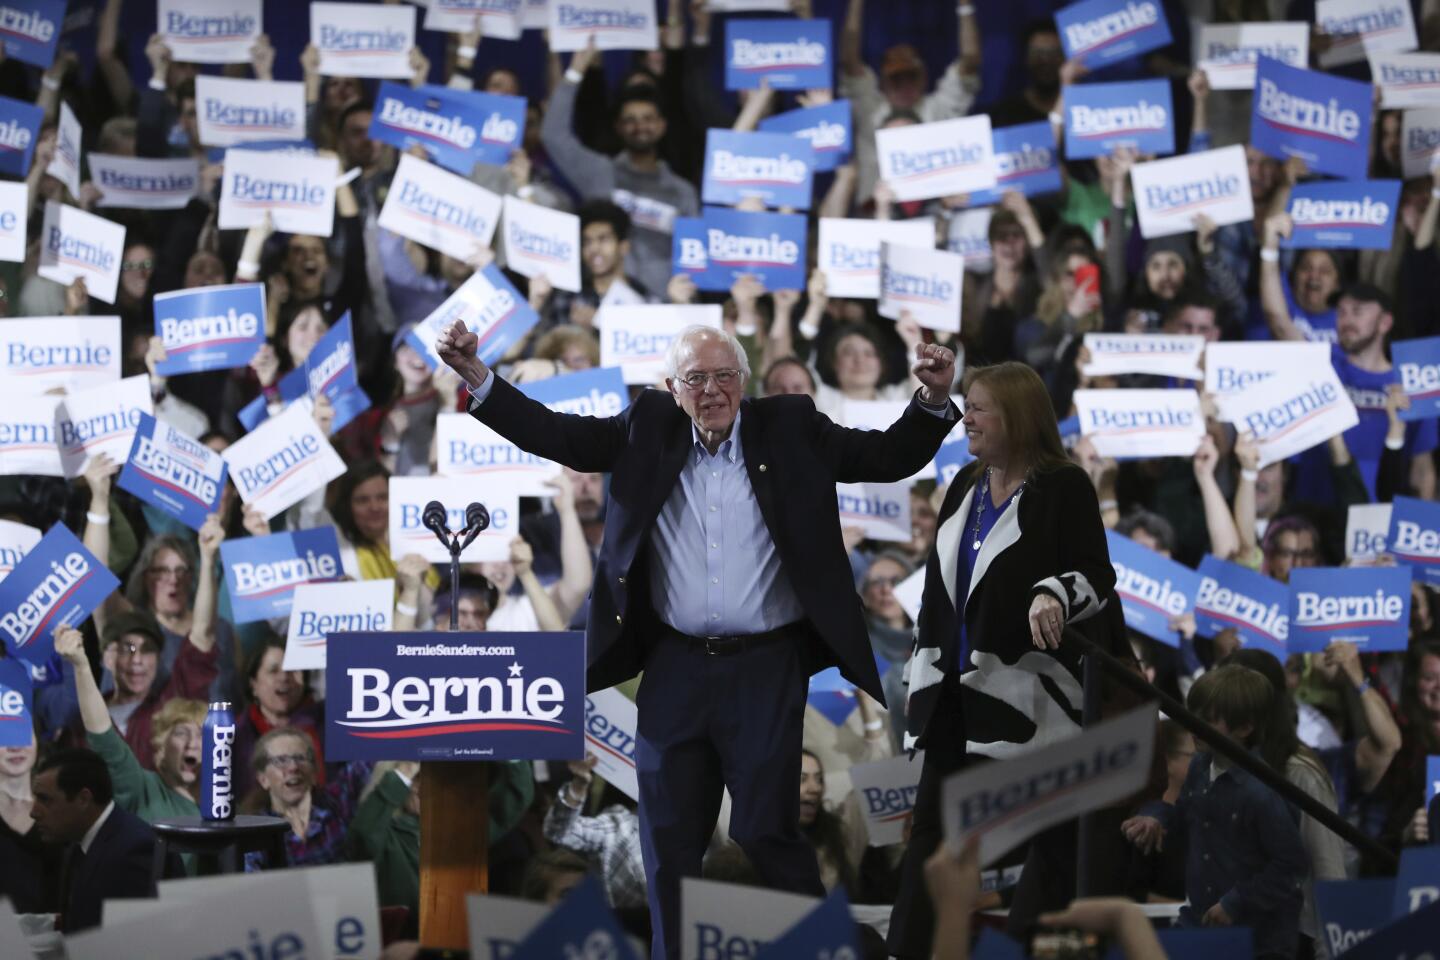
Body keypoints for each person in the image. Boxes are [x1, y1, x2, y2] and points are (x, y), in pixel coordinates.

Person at [437, 319, 957, 959]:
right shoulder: (645, 427)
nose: (712, 390)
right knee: (669, 838)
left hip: (765, 668)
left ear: (745, 380)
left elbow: (885, 457)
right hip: (675, 667)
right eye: (696, 379)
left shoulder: (791, 426)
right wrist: (477, 375)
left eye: (724, 376)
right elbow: (558, 434)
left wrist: (931, 401)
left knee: (768, 830)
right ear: (671, 387)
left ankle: (825, 951)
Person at [890, 361, 1121, 956]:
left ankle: (1051, 946)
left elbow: (1098, 574)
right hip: (951, 698)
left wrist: (1055, 592)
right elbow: (938, 592)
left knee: (1055, 848)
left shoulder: (1063, 485)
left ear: (1018, 416)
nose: (967, 416)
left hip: (1031, 705)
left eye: (980, 407)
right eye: (967, 405)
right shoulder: (963, 484)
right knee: (932, 844)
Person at [1122, 665, 1309, 960]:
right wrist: (1155, 815)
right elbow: (1183, 814)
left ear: (1245, 728)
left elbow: (1291, 867)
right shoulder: (1199, 766)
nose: (1193, 726)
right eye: (1192, 714)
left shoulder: (1262, 792)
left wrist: (1235, 902)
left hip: (1257, 943)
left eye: (1207, 720)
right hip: (1202, 926)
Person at [30, 748, 166, 933]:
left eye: (45, 800)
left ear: (84, 799)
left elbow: (137, 942)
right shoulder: (79, 842)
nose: (33, 812)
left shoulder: (136, 849)